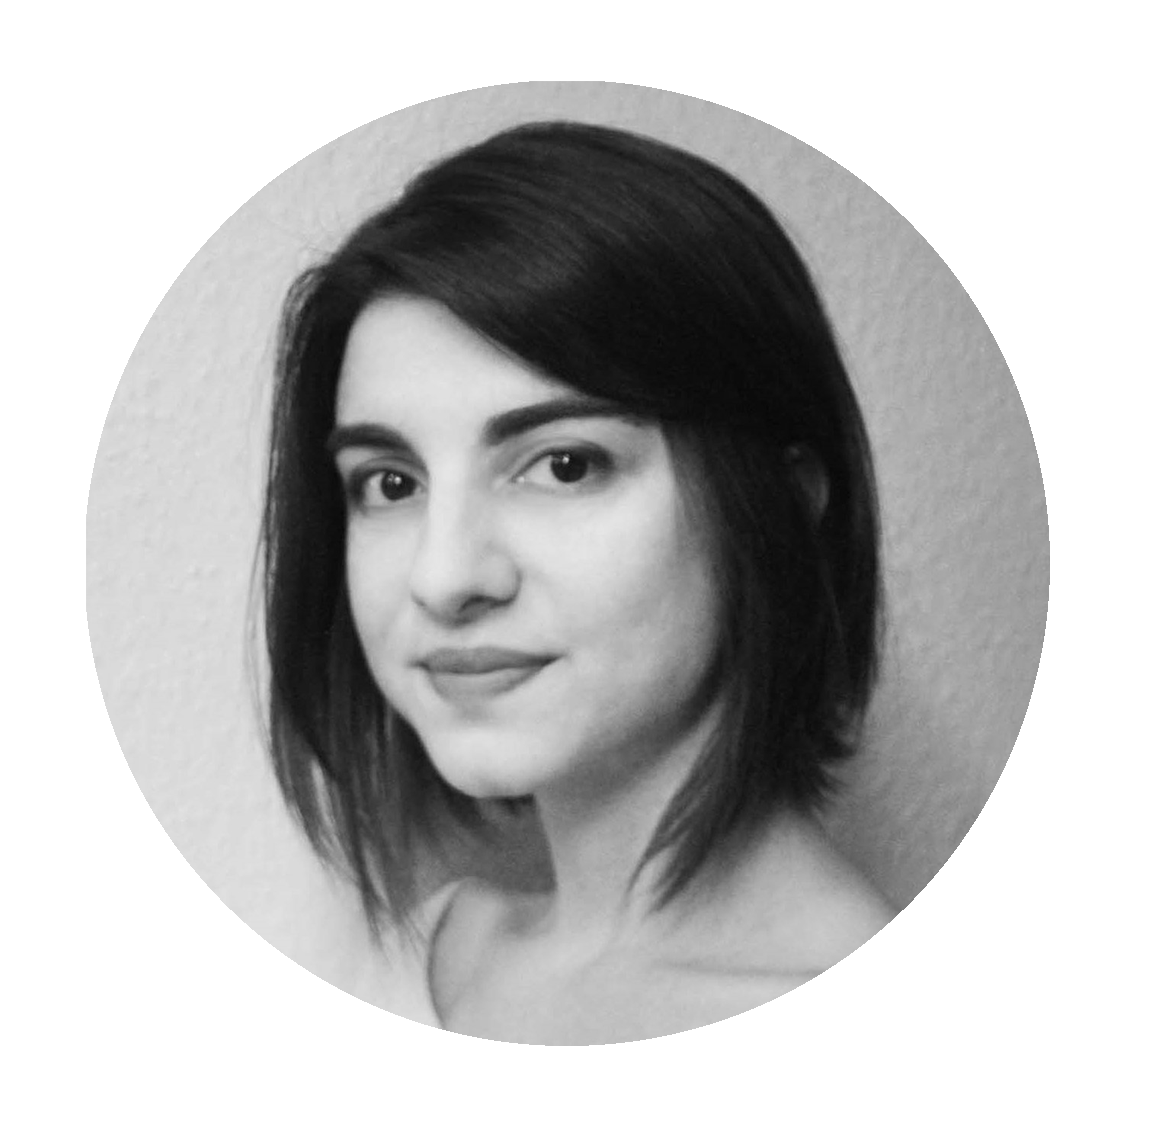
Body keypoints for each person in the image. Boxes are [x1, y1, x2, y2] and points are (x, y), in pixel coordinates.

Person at [260, 120, 1004, 1045]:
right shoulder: (421, 956)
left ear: (777, 501)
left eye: (564, 464)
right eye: (390, 483)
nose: (444, 576)